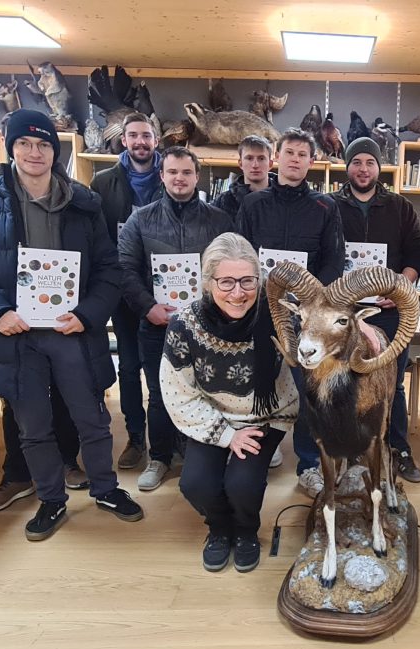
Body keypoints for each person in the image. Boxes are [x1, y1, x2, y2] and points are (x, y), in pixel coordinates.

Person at [0, 109, 142, 541]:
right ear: (11, 148)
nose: (34, 152)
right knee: (33, 425)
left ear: (56, 150)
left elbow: (109, 269)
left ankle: (106, 489)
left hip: (71, 333)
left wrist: (87, 314)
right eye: (25, 144)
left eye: (44, 144)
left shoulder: (85, 203)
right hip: (15, 334)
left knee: (93, 418)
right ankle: (51, 500)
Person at [160, 232, 299, 573]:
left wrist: (359, 330)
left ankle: (247, 532)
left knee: (242, 483)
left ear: (259, 279)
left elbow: (323, 329)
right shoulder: (184, 325)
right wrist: (226, 436)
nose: (238, 293)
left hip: (265, 415)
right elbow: (178, 392)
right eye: (226, 282)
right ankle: (220, 530)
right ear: (208, 283)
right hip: (211, 416)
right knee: (196, 484)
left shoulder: (280, 315)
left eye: (248, 281)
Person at [118, 146, 234, 492]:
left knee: (207, 392)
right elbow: (124, 269)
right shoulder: (141, 219)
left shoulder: (219, 220)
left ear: (197, 177)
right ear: (162, 175)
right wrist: (147, 307)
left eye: (186, 173)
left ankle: (202, 453)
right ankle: (160, 457)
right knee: (159, 393)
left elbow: (231, 268)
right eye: (173, 172)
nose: (179, 179)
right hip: (156, 324)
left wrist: (217, 308)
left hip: (207, 326)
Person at [237, 127, 345, 498]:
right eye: (289, 152)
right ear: (276, 158)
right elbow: (241, 256)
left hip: (307, 315)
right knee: (262, 381)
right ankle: (261, 452)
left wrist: (312, 299)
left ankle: (309, 464)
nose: (295, 159)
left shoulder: (326, 207)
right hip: (261, 311)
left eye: (303, 154)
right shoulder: (253, 204)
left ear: (311, 162)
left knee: (307, 390)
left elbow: (334, 260)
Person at [331, 137, 420, 482]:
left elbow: (419, 251)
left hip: (389, 311)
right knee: (344, 382)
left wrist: (400, 284)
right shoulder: (330, 206)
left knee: (391, 384)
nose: (363, 168)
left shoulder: (400, 207)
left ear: (379, 167)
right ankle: (348, 451)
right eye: (356, 162)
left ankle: (397, 449)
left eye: (369, 162)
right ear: (347, 166)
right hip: (344, 313)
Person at [90, 112, 164, 470]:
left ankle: (170, 439)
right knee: (130, 367)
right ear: (124, 140)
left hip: (168, 290)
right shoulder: (103, 183)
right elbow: (98, 239)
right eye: (133, 136)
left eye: (146, 136)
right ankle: (137, 438)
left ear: (156, 140)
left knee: (167, 368)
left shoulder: (172, 176)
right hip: (123, 289)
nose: (140, 142)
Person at [212, 135, 278, 220]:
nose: (255, 165)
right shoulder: (223, 202)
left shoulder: (283, 198)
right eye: (249, 158)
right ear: (240, 163)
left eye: (261, 158)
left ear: (270, 164)